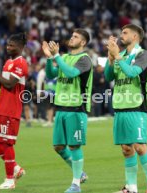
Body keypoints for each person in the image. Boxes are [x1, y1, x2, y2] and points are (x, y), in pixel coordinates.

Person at [105, 24, 147, 193]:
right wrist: (110, 58)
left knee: (139, 146)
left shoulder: (142, 54)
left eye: (125, 33)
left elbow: (131, 73)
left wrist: (118, 58)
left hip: (136, 106)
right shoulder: (120, 55)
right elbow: (109, 76)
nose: (121, 35)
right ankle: (131, 188)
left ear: (135, 37)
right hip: (120, 106)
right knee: (126, 148)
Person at [42, 28, 93, 193]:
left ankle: (76, 185)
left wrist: (56, 56)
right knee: (58, 146)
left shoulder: (85, 59)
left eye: (76, 37)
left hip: (76, 108)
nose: (72, 38)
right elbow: (50, 74)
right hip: (61, 108)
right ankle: (81, 174)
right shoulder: (64, 57)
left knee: (74, 146)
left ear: (83, 42)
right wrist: (50, 58)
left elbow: (71, 74)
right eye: (71, 35)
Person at [0, 33, 28, 189]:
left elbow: (10, 85)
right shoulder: (8, 62)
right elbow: (1, 85)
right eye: (8, 45)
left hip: (10, 109)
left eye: (12, 45)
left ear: (20, 47)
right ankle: (15, 168)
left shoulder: (21, 63)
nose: (8, 47)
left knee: (5, 143)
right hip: (0, 106)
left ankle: (9, 180)